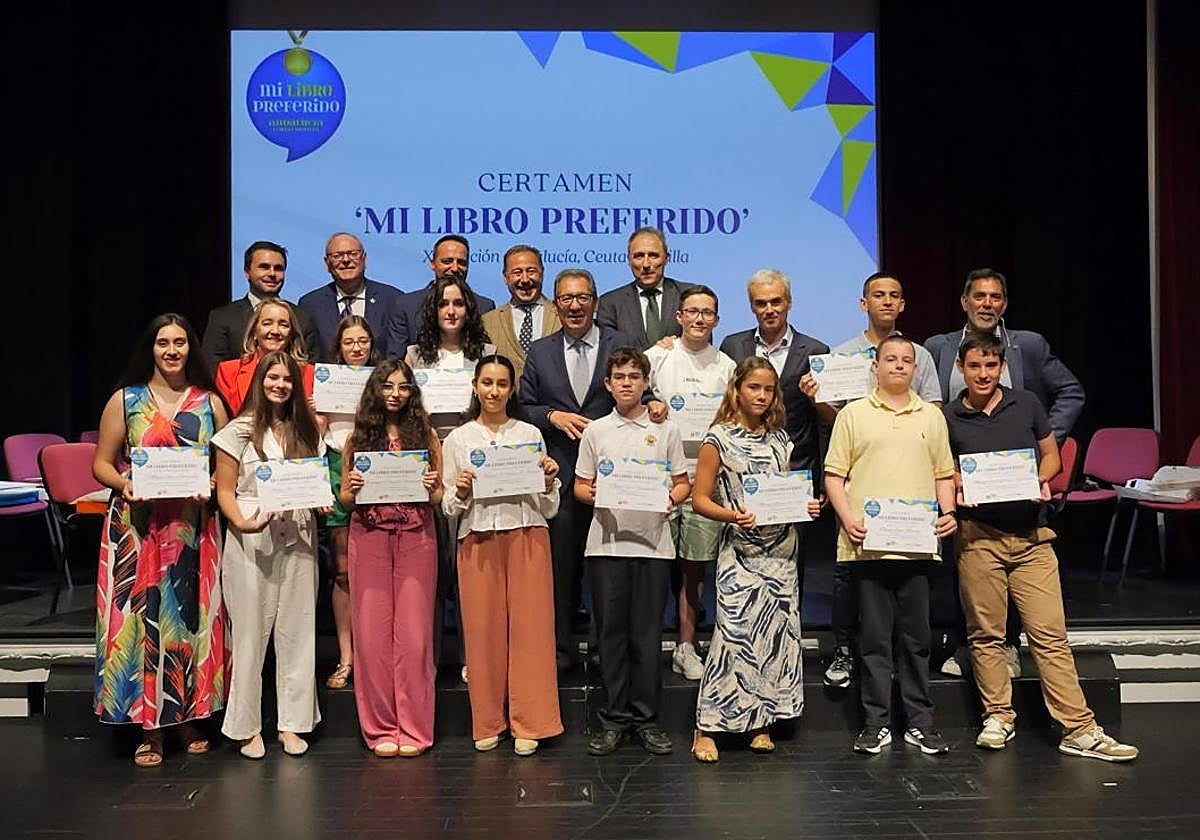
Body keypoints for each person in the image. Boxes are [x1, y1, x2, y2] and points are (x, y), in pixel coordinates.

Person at [943, 333, 1138, 761]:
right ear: (961, 368)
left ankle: (1079, 728)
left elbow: (1051, 458)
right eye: (974, 366)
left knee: (1049, 635)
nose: (983, 374)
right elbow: (941, 469)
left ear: (1001, 368)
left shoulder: (1027, 403)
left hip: (1032, 538)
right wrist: (958, 483)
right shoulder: (947, 416)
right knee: (987, 635)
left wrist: (1039, 481)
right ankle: (998, 715)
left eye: (990, 366)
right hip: (978, 538)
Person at [92, 313, 230, 767]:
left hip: (191, 531)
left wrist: (210, 481)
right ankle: (147, 728)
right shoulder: (126, 401)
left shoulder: (210, 403)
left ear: (191, 348)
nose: (172, 351)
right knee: (140, 624)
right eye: (162, 343)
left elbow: (225, 468)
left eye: (180, 343)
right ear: (150, 349)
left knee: (186, 624)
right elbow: (102, 464)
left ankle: (187, 718)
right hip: (136, 526)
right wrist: (124, 483)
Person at [799, 272, 941, 690]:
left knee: (907, 578)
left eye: (894, 296)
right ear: (863, 303)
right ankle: (844, 649)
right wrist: (818, 399)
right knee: (848, 573)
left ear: (902, 305)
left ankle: (902, 654)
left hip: (909, 484)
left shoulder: (919, 355)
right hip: (858, 482)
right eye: (877, 295)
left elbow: (932, 412)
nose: (886, 302)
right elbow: (838, 420)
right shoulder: (841, 356)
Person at [824, 334, 958, 755]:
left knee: (917, 639)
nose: (899, 366)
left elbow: (943, 473)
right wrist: (849, 521)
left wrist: (948, 512)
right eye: (890, 359)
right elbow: (834, 476)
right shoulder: (854, 414)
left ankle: (920, 722)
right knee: (875, 640)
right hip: (869, 547)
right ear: (875, 366)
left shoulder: (931, 417)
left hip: (917, 546)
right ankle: (876, 722)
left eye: (906, 361)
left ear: (915, 369)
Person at [689, 356, 819, 763]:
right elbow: (699, 500)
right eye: (754, 388)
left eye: (768, 389)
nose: (761, 396)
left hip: (782, 550)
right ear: (738, 390)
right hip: (741, 551)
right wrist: (733, 515)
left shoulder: (781, 440)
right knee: (735, 638)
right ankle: (705, 726)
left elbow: (783, 493)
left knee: (775, 637)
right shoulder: (718, 439)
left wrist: (806, 506)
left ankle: (762, 721)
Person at [442, 354, 564, 756]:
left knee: (531, 631)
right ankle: (489, 720)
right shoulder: (458, 439)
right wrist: (459, 492)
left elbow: (548, 507)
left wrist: (548, 480)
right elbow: (446, 506)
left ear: (512, 390)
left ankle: (531, 720)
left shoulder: (529, 434)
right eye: (487, 383)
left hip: (528, 534)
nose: (494, 391)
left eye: (502, 384)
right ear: (475, 387)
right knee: (482, 632)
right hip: (478, 537)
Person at [519, 268, 637, 673]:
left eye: (582, 297)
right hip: (563, 477)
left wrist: (654, 403)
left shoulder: (620, 343)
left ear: (595, 301)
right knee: (562, 570)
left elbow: (641, 389)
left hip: (613, 478)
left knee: (608, 573)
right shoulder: (541, 351)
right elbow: (525, 406)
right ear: (555, 304)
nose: (574, 305)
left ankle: (608, 652)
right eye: (566, 298)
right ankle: (561, 650)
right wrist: (552, 416)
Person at [574, 347, 691, 757]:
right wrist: (604, 493)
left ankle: (646, 720)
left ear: (646, 383)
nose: (626, 383)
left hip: (654, 546)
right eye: (619, 377)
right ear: (607, 385)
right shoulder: (595, 432)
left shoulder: (666, 430)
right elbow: (580, 488)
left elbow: (682, 483)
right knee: (611, 637)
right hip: (605, 545)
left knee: (646, 636)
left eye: (633, 376)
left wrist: (670, 499)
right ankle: (612, 720)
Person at [213, 351, 327, 759]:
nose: (280, 385)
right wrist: (241, 524)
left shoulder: (305, 430)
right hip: (250, 536)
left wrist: (320, 501)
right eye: (273, 378)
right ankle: (245, 726)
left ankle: (292, 724)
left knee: (299, 630)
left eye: (287, 379)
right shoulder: (236, 432)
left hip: (297, 535)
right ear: (259, 381)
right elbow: (224, 490)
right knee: (248, 634)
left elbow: (314, 479)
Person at [339, 359, 442, 757]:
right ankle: (381, 727)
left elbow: (437, 498)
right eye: (388, 386)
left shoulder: (426, 434)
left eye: (403, 387)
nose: (395, 394)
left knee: (415, 637)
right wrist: (353, 487)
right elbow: (346, 501)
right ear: (375, 391)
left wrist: (432, 485)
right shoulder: (358, 438)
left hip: (417, 536)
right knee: (372, 636)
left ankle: (414, 727)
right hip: (370, 537)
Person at [718, 269, 829, 617]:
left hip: (794, 475)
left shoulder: (815, 350)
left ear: (789, 303)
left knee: (789, 566)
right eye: (760, 303)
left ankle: (785, 638)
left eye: (776, 302)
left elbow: (825, 423)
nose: (769, 309)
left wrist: (823, 479)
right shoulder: (732, 346)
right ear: (751, 306)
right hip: (743, 475)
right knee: (745, 564)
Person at [405, 273, 496, 676]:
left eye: (458, 304)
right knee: (432, 567)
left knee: (469, 568)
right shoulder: (414, 356)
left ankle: (471, 656)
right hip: (426, 464)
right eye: (444, 304)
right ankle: (431, 657)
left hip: (474, 464)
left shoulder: (487, 352)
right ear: (433, 310)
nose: (451, 311)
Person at [643, 285, 736, 680]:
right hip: (656, 478)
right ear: (678, 317)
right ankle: (645, 646)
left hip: (705, 479)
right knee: (650, 566)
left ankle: (686, 644)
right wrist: (650, 401)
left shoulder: (728, 365)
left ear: (716, 320)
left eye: (707, 313)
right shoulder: (656, 356)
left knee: (695, 569)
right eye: (692, 312)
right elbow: (630, 395)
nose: (699, 319)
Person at [925, 268, 1084, 443]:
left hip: (1015, 457)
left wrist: (1047, 438)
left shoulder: (1029, 345)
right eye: (979, 296)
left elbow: (1071, 392)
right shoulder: (938, 347)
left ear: (1004, 304)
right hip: (957, 457)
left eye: (995, 297)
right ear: (964, 302)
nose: (987, 303)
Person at [317, 316, 381, 692]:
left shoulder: (383, 381)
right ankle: (346, 657)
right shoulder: (326, 385)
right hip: (336, 467)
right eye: (349, 342)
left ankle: (374, 656)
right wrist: (317, 419)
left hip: (378, 470)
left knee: (374, 571)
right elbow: (313, 436)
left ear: (371, 345)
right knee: (342, 573)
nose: (356, 348)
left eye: (362, 341)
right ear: (338, 348)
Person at [201, 240, 318, 366]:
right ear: (247, 272)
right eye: (264, 267)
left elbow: (312, 369)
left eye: (278, 268)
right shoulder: (223, 318)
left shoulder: (302, 318)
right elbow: (211, 369)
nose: (272, 274)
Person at [298, 232, 405, 360]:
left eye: (353, 254)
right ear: (327, 263)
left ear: (364, 259)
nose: (346, 260)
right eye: (337, 256)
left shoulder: (392, 299)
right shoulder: (310, 304)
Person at [388, 235, 497, 352]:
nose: (455, 268)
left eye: (461, 262)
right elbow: (396, 361)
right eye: (447, 261)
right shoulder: (406, 305)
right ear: (432, 264)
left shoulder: (485, 307)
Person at [214, 298, 315, 415]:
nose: (275, 331)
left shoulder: (309, 373)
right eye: (267, 323)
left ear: (291, 334)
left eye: (283, 325)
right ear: (254, 332)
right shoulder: (228, 371)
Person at [480, 245, 562, 378]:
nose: (525, 279)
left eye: (531, 271)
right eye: (517, 272)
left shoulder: (562, 315)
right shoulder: (487, 322)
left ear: (542, 274)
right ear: (505, 278)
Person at [596, 227, 685, 348]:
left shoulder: (687, 296)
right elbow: (608, 352)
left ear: (666, 258)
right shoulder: (610, 303)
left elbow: (701, 343)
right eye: (639, 256)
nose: (646, 264)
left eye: (653, 256)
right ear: (629, 260)